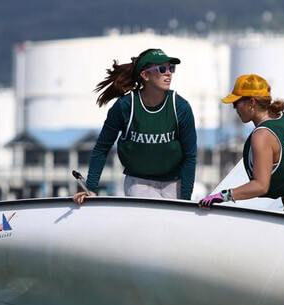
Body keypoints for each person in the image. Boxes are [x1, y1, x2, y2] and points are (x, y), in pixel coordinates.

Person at [199, 74, 284, 220]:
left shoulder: (262, 135)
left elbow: (260, 186)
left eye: (236, 102)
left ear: (251, 102)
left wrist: (224, 195)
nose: (234, 108)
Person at [73, 48, 197, 205]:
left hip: (174, 181)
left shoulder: (181, 107)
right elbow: (102, 148)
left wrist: (185, 200)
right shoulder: (125, 105)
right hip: (139, 182)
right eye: (162, 69)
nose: (169, 73)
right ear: (145, 75)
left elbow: (190, 156)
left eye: (171, 68)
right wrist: (90, 188)